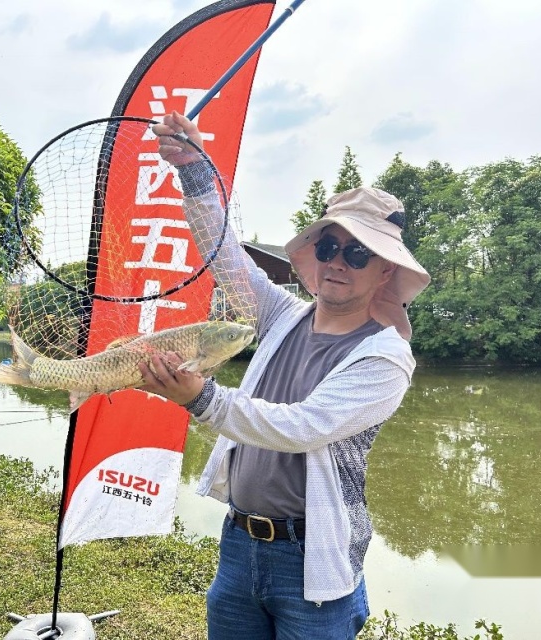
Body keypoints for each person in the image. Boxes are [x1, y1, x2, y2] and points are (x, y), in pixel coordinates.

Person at [137, 112, 431, 639]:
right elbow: (226, 260)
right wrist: (196, 175)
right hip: (238, 543)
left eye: (359, 253)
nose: (338, 262)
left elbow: (301, 427)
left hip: (311, 559)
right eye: (328, 247)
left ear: (386, 270)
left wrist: (201, 398)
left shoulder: (384, 358)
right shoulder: (282, 314)